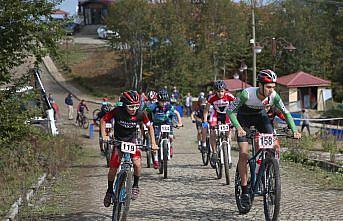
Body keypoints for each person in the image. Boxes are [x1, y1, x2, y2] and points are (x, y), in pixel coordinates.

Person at [227, 69, 301, 210]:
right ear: (260, 85)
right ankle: (244, 191)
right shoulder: (246, 94)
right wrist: (239, 128)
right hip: (244, 118)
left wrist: (294, 130)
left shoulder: (274, 96)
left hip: (261, 117)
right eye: (268, 87)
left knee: (272, 145)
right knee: (243, 154)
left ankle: (267, 171)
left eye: (273, 87)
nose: (271, 90)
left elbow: (286, 113)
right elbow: (230, 110)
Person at [101, 90, 158, 206]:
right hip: (118, 141)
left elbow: (150, 127)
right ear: (124, 105)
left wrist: (153, 142)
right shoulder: (117, 111)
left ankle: (135, 185)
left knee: (137, 164)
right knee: (113, 168)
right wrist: (104, 135)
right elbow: (103, 120)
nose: (133, 109)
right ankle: (109, 190)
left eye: (136, 106)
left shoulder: (141, 114)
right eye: (131, 106)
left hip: (132, 141)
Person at [145, 88, 183, 169]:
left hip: (166, 123)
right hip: (156, 123)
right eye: (162, 101)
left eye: (165, 101)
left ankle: (170, 146)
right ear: (158, 100)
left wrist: (180, 122)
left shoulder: (169, 106)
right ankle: (155, 160)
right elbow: (145, 112)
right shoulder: (153, 106)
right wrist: (146, 121)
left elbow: (177, 113)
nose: (164, 103)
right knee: (155, 140)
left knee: (170, 136)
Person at [202, 80, 236, 163]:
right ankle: (214, 152)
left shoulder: (229, 95)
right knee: (212, 131)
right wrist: (205, 121)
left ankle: (228, 151)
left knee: (228, 133)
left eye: (222, 91)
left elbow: (237, 104)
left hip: (227, 114)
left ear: (225, 90)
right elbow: (206, 110)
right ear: (215, 91)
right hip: (216, 114)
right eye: (218, 91)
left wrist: (235, 120)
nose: (220, 93)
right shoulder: (212, 97)